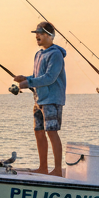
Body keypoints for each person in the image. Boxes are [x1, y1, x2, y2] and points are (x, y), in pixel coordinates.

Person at [14, 21, 67, 176]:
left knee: (52, 132)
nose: (37, 35)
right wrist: (25, 78)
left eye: (40, 33)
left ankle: (57, 170)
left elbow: (50, 78)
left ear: (50, 36)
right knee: (39, 132)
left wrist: (29, 82)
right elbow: (38, 77)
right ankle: (43, 167)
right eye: (36, 33)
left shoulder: (55, 54)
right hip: (39, 100)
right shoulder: (38, 54)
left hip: (52, 100)